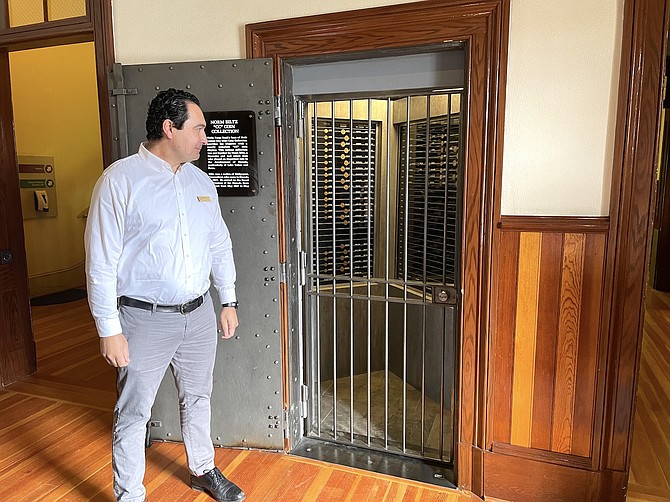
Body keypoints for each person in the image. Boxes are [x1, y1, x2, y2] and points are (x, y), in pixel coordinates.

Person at [85, 88, 245, 502]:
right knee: (134, 412)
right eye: (198, 129)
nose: (205, 139)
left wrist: (227, 300)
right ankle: (130, 495)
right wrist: (109, 329)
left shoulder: (201, 181)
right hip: (142, 320)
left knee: (198, 398)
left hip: (198, 316)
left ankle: (203, 470)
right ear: (168, 128)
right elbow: (100, 263)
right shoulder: (119, 181)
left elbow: (218, 245)